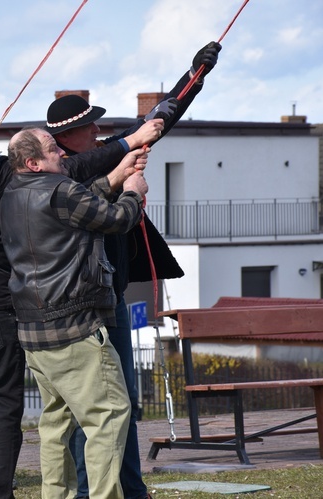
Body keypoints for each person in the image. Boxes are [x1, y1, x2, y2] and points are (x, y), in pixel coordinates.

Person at [0, 91, 160, 499]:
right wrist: (126, 155)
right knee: (85, 414)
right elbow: (67, 187)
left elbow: (60, 198)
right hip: (11, 308)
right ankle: (1, 493)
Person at [46, 41, 221, 499]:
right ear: (70, 135)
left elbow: (156, 123)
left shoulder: (99, 154)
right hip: (87, 307)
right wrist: (129, 171)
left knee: (121, 407)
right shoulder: (62, 172)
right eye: (89, 124)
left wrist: (194, 77)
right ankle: (90, 490)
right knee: (97, 411)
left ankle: (130, 487)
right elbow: (101, 164)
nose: (99, 128)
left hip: (112, 299)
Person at [0, 127, 149, 499]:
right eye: (52, 150)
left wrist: (116, 176)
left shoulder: (11, 194)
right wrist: (133, 192)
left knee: (56, 424)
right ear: (33, 163)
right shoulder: (60, 190)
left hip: (34, 333)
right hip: (75, 328)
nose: (61, 155)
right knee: (109, 416)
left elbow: (75, 207)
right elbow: (114, 219)